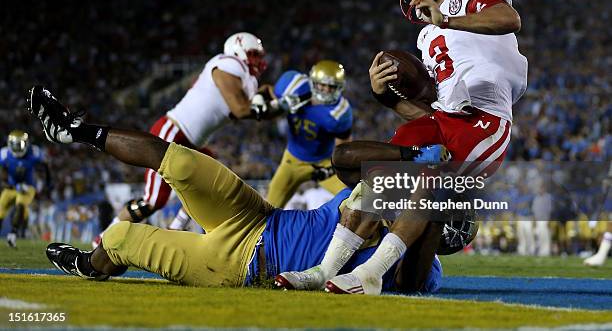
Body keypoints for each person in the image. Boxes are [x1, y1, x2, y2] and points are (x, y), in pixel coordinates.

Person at [277, 0, 528, 294]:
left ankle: (371, 274)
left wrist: (447, 19)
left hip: (483, 121)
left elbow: (508, 19)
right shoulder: (426, 36)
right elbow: (427, 106)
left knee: (428, 177)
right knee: (377, 177)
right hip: (444, 117)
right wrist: (384, 95)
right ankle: (324, 270)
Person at [28, 85, 446, 293]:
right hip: (257, 215)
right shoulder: (387, 189)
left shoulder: (423, 267)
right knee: (182, 160)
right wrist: (412, 151)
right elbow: (346, 158)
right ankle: (73, 129)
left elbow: (413, 276)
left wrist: (428, 218)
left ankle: (94, 265)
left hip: (241, 263)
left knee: (119, 237)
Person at [94, 32, 270, 245]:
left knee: (208, 185)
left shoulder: (246, 80)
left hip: (193, 143)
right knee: (153, 201)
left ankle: (175, 229)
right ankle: (103, 239)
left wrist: (269, 101)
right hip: (173, 132)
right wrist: (274, 103)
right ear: (237, 51)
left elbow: (251, 108)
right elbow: (242, 110)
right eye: (252, 54)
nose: (257, 60)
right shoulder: (227, 64)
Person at [264, 60, 352, 208]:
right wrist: (261, 100)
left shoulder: (339, 112)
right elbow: (268, 92)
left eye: (330, 87)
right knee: (267, 208)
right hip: (292, 160)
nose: (325, 90)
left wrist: (333, 167)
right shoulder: (294, 85)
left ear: (339, 88)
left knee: (356, 200)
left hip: (324, 164)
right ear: (312, 82)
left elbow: (344, 143)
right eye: (321, 85)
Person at [0, 130, 49, 247]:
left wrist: (46, 183)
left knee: (20, 205)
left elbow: (45, 168)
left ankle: (13, 233)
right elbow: (2, 174)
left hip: (28, 186)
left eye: (20, 145)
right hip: (11, 187)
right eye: (15, 145)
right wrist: (7, 184)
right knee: (1, 209)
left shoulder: (34, 153)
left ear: (26, 143)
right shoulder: (4, 153)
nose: (17, 148)